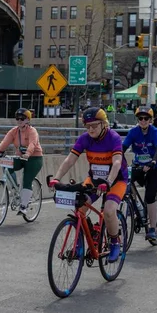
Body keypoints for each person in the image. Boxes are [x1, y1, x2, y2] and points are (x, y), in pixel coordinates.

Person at [49, 107, 128, 263]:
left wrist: (109, 181)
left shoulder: (114, 137)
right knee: (80, 207)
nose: (91, 129)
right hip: (94, 179)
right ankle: (83, 242)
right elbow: (70, 160)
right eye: (88, 126)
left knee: (109, 211)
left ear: (104, 124)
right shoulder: (85, 138)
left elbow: (117, 162)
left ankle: (114, 242)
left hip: (116, 179)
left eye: (95, 125)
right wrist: (56, 178)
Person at [123, 106, 157, 241]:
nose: (143, 120)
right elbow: (122, 148)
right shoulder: (133, 132)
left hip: (155, 166)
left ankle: (152, 228)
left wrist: (153, 162)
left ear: (150, 120)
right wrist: (116, 160)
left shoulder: (155, 132)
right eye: (140, 118)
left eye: (146, 118)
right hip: (139, 165)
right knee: (126, 182)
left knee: (150, 196)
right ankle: (135, 207)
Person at [0, 108, 44, 215]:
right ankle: (15, 191)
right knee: (6, 165)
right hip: (20, 157)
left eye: (22, 118)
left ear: (28, 120)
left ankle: (24, 205)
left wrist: (28, 154)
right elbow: (5, 142)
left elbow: (32, 144)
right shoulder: (14, 131)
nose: (19, 121)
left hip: (34, 158)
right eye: (17, 118)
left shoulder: (32, 131)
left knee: (27, 179)